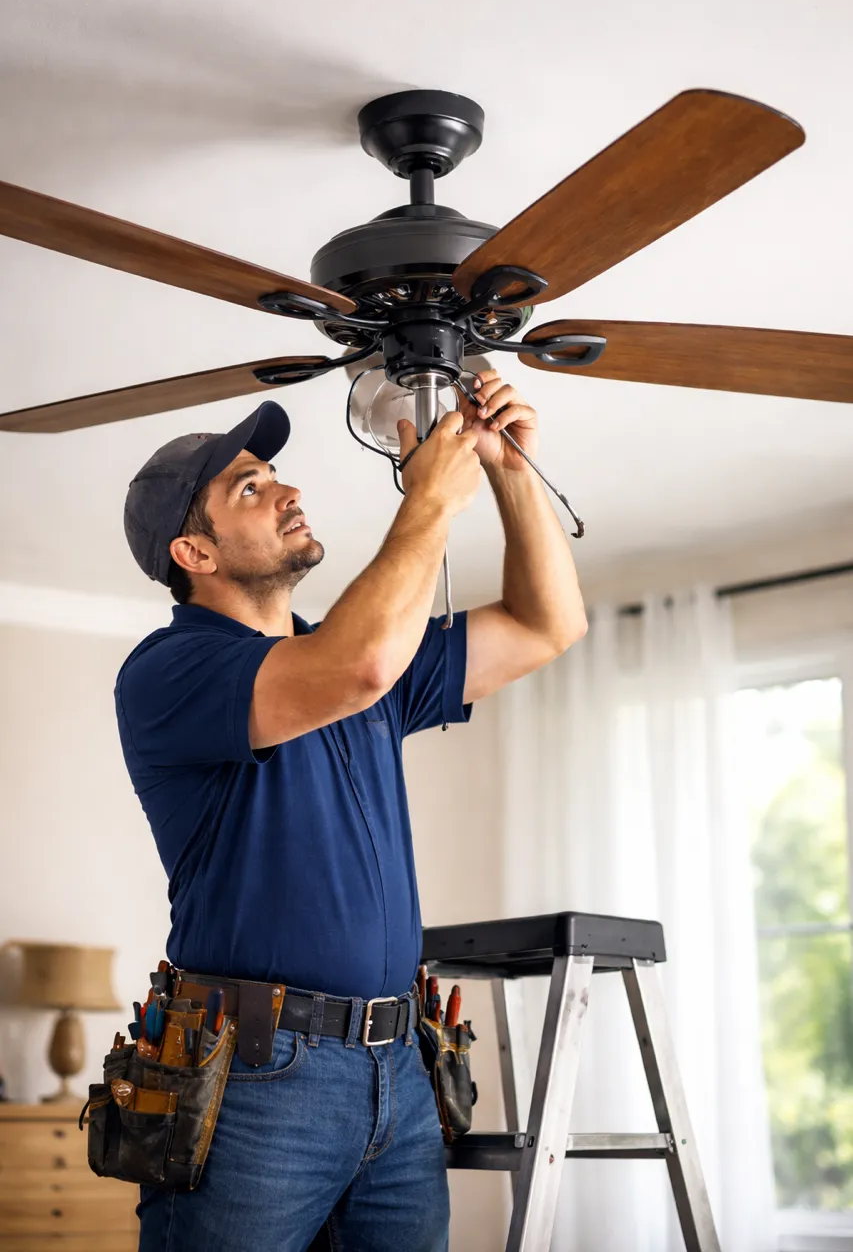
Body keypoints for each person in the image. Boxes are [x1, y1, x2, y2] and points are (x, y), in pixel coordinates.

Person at [116, 369, 587, 1252]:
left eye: (275, 475)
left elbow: (545, 623)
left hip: (398, 1072)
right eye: (248, 488)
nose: (288, 489)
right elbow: (357, 666)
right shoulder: (168, 673)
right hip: (256, 1080)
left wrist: (510, 471)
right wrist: (432, 503)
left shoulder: (356, 653)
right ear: (196, 555)